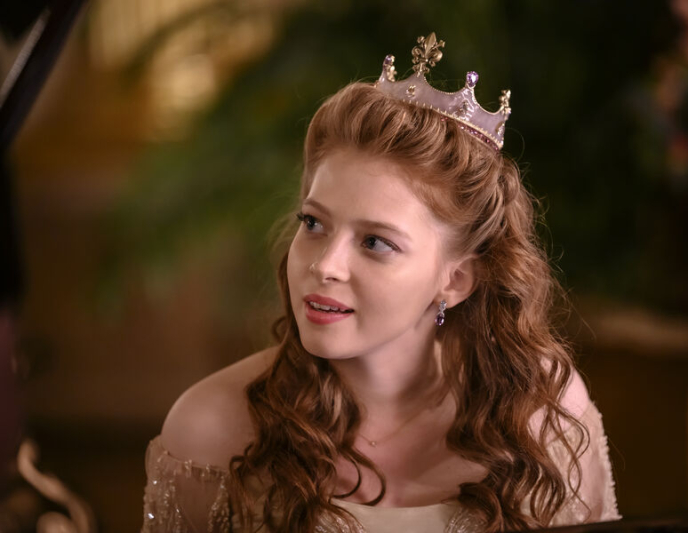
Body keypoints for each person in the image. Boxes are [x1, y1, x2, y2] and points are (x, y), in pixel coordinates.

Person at [141, 33, 620, 533]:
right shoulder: (209, 431)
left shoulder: (542, 414)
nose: (325, 266)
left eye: (375, 242)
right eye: (313, 223)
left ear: (456, 280)